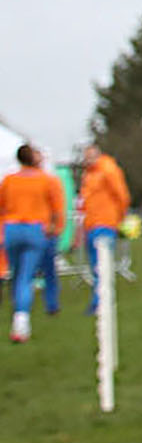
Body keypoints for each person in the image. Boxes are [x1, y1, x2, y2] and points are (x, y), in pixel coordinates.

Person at [4, 143, 68, 341]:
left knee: (16, 274)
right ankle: (21, 320)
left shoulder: (9, 180)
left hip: (12, 229)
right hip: (35, 229)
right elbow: (58, 208)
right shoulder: (47, 180)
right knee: (26, 276)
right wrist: (55, 228)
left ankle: (18, 312)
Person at [76, 143, 132, 315]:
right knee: (95, 264)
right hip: (91, 223)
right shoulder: (88, 174)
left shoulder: (108, 170)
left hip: (105, 222)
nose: (87, 160)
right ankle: (99, 299)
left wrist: (119, 216)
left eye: (90, 156)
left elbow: (121, 195)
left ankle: (101, 301)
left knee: (101, 263)